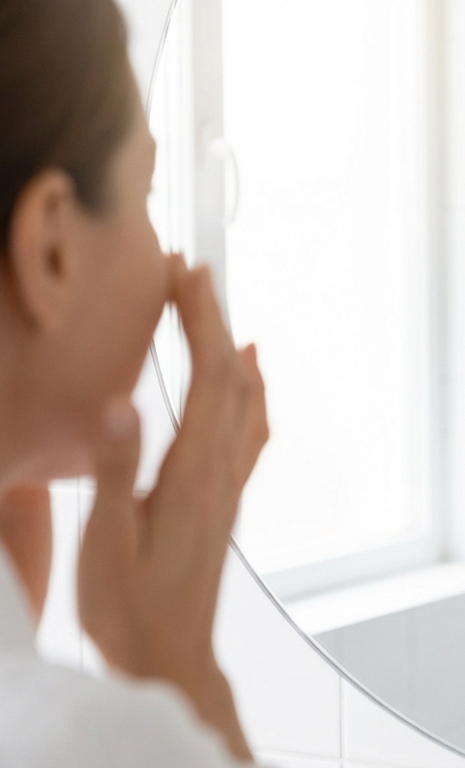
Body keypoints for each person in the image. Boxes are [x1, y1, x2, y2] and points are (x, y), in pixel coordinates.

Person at [0, 0, 269, 764]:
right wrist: (177, 664)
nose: (171, 268)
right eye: (147, 195)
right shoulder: (96, 743)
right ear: (52, 247)